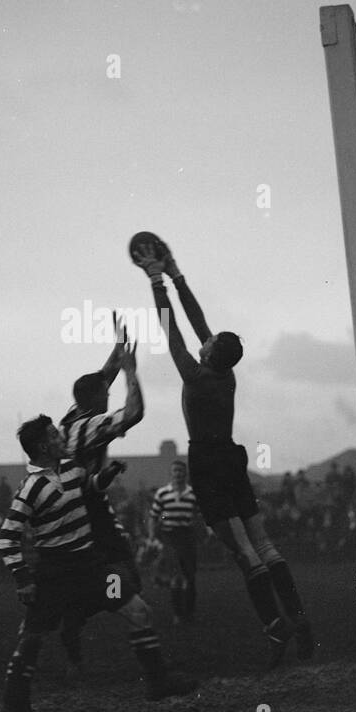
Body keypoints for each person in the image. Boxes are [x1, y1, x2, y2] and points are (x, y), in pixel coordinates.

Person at [132, 239, 315, 667]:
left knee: (244, 553)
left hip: (208, 463)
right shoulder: (226, 375)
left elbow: (172, 328)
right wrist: (177, 274)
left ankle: (275, 628)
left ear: (211, 354)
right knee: (264, 544)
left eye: (210, 342)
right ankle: (300, 622)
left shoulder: (196, 376)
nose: (205, 340)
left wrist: (156, 282)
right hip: (232, 457)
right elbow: (198, 323)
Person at [0, 415, 195, 712]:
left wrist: (106, 476)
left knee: (140, 611)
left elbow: (89, 489)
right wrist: (23, 578)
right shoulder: (30, 489)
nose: (62, 439)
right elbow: (6, 538)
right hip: (53, 575)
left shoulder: (71, 468)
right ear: (43, 446)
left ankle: (157, 681)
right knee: (29, 642)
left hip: (89, 568)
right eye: (55, 435)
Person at [56, 323, 144, 671]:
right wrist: (132, 372)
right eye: (105, 395)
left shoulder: (72, 415)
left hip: (76, 503)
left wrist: (118, 350)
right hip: (89, 505)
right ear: (98, 401)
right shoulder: (89, 426)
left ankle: (77, 615)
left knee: (116, 574)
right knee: (128, 579)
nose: (108, 395)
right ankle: (83, 612)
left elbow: (98, 382)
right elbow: (133, 413)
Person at [151, 461, 200, 623]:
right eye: (175, 471)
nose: (178, 474)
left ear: (185, 474)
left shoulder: (193, 494)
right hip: (170, 536)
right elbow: (154, 516)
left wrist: (207, 531)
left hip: (187, 536)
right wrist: (152, 536)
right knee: (176, 575)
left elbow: (201, 515)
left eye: (181, 471)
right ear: (171, 474)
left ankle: (189, 612)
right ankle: (178, 614)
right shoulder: (163, 493)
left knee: (189, 576)